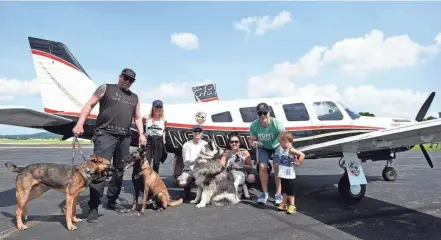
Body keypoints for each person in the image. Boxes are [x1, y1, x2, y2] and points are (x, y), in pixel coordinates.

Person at [72, 68, 147, 223]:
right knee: (98, 171)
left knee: (119, 170)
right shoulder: (106, 88)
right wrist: (80, 124)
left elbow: (137, 117)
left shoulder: (135, 97)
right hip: (105, 134)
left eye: (131, 80)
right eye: (125, 78)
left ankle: (111, 200)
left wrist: (141, 134)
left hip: (124, 137)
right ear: (120, 76)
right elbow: (89, 105)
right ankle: (94, 207)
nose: (127, 81)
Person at [248, 102, 285, 205]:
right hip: (264, 146)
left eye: (265, 113)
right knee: (262, 166)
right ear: (257, 114)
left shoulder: (277, 124)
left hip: (277, 146)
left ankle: (278, 193)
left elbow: (285, 140)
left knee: (277, 166)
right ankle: (265, 193)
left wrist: (288, 152)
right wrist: (254, 144)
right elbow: (251, 140)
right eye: (260, 113)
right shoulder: (254, 125)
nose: (263, 116)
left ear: (269, 112)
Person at [276, 131, 305, 214]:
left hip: (289, 175)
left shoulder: (291, 150)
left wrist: (298, 162)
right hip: (283, 174)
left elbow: (302, 155)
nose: (280, 144)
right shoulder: (284, 149)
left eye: (281, 142)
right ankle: (284, 204)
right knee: (285, 190)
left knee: (290, 192)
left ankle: (292, 205)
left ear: (286, 141)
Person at [176, 125, 207, 200]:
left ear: (202, 133)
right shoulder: (186, 145)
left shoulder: (206, 145)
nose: (197, 133)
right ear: (192, 133)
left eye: (199, 131)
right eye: (195, 131)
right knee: (181, 182)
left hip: (201, 171)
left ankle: (204, 194)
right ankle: (187, 193)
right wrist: (197, 159)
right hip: (189, 170)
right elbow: (186, 162)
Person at [143, 99, 168, 174]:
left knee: (157, 163)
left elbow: (164, 131)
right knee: (147, 162)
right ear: (152, 108)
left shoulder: (164, 120)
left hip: (158, 141)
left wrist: (163, 141)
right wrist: (143, 134)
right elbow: (141, 127)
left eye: (160, 107)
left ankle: (155, 180)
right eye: (156, 107)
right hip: (149, 141)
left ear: (162, 109)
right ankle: (145, 180)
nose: (158, 109)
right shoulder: (146, 118)